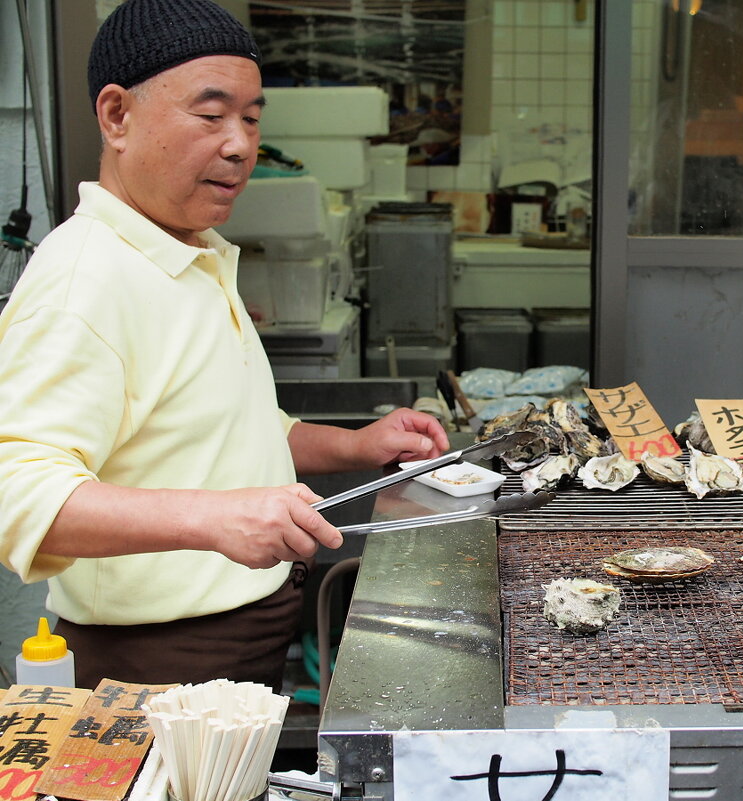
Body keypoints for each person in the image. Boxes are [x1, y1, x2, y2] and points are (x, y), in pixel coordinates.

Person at [0, 0, 449, 691]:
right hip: (153, 661)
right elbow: (20, 494)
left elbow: (229, 431)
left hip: (247, 626)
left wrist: (356, 446)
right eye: (211, 117)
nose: (240, 145)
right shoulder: (84, 278)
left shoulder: (190, 254)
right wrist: (214, 518)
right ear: (117, 116)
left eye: (250, 117)